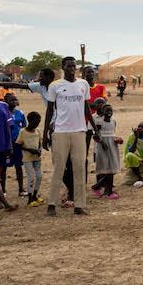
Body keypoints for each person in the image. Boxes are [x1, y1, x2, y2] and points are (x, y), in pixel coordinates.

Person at [44, 56, 92, 217]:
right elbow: (49, 110)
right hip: (60, 132)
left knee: (80, 169)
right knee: (59, 168)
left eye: (74, 66)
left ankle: (79, 205)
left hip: (79, 132)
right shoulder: (55, 85)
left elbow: (86, 108)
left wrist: (95, 130)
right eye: (69, 66)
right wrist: (45, 134)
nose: (72, 69)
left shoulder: (83, 84)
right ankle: (51, 204)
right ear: (63, 67)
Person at [91, 104, 121, 198]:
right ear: (103, 112)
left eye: (111, 111)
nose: (109, 113)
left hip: (112, 146)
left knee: (112, 168)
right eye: (107, 111)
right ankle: (108, 191)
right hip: (103, 147)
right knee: (106, 168)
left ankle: (100, 188)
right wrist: (102, 143)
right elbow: (95, 136)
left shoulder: (113, 120)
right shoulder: (99, 122)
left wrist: (117, 139)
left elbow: (112, 134)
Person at [17, 111, 44, 206]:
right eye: (36, 122)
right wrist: (29, 150)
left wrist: (39, 150)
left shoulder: (37, 131)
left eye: (39, 122)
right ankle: (30, 199)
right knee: (31, 177)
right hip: (27, 158)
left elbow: (39, 142)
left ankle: (35, 195)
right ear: (30, 121)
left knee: (39, 176)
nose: (37, 124)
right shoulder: (22, 132)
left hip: (37, 157)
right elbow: (18, 145)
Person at [4, 93, 27, 197]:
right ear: (6, 101)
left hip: (17, 144)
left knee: (18, 166)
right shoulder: (3, 113)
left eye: (15, 100)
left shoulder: (20, 113)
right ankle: (3, 190)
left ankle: (21, 189)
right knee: (4, 167)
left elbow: (24, 127)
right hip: (6, 144)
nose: (14, 102)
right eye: (11, 100)